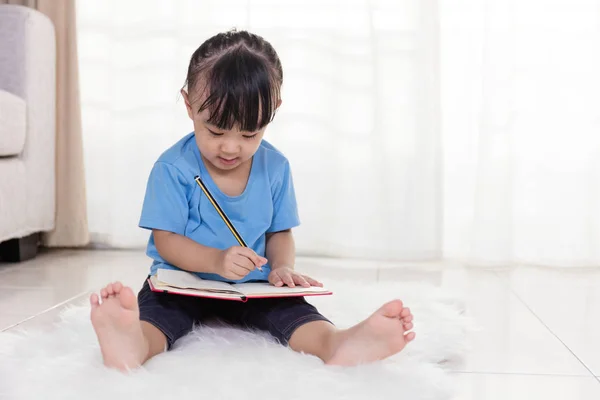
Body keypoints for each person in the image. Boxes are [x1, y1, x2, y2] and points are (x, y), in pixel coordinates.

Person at [89, 29, 415, 371]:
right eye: (215, 131)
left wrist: (281, 268)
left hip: (254, 286)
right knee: (161, 312)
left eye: (249, 134)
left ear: (273, 111)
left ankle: (337, 343)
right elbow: (166, 240)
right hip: (183, 281)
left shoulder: (276, 166)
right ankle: (132, 345)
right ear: (188, 105)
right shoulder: (173, 168)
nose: (230, 148)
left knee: (294, 312)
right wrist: (216, 261)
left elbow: (279, 232)